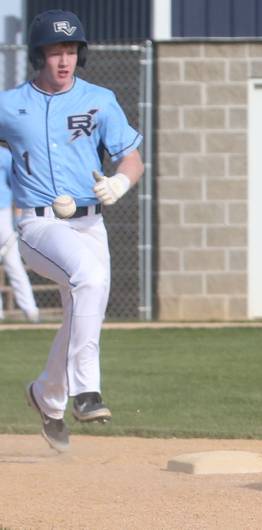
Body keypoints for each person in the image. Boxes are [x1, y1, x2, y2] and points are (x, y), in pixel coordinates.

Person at [0, 9, 143, 452]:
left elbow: (131, 157)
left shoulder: (99, 99)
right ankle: (86, 391)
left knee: (84, 310)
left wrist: (121, 181)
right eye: (54, 51)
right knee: (90, 279)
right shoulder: (9, 105)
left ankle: (47, 397)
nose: (63, 59)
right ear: (38, 55)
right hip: (37, 225)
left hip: (90, 222)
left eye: (70, 50)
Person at [0, 145, 39, 322]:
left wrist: (17, 215)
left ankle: (30, 312)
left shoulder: (4, 155)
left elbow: (16, 184)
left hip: (3, 212)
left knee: (12, 261)